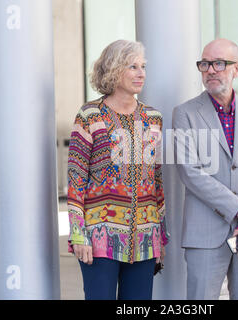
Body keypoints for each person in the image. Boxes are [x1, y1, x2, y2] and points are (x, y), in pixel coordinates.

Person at [172, 38, 238, 300]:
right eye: (205, 64)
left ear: (236, 69)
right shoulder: (185, 113)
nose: (211, 70)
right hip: (204, 234)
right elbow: (189, 171)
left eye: (219, 63)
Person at [67, 40, 168, 300]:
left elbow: (156, 181)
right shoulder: (90, 115)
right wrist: (78, 235)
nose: (141, 73)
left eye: (143, 66)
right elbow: (76, 178)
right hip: (100, 237)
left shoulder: (153, 117)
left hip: (146, 238)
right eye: (133, 66)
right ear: (113, 69)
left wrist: (161, 237)